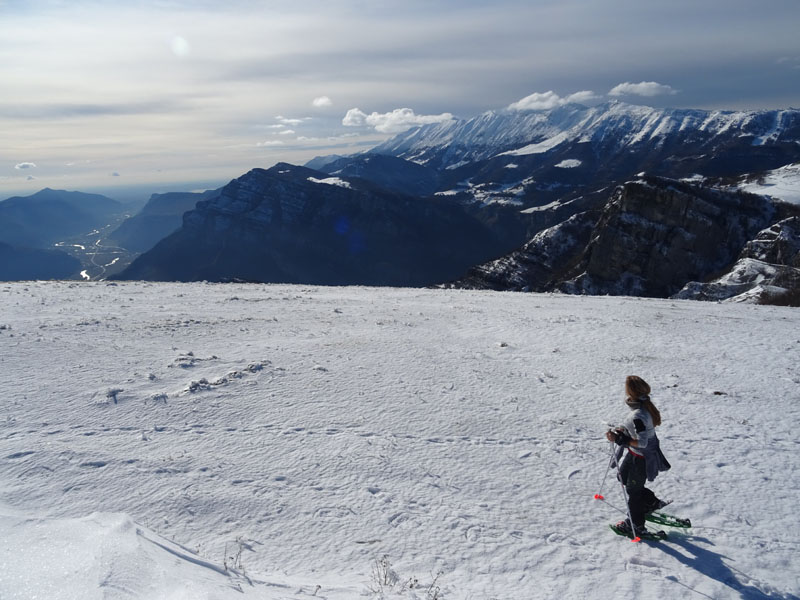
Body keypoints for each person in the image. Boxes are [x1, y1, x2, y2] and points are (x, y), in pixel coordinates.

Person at [606, 375, 671, 537]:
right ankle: (651, 503)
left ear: (631, 392)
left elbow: (642, 442)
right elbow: (636, 429)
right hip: (634, 453)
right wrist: (622, 429)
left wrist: (620, 439)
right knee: (624, 478)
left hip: (641, 458)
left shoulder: (639, 415)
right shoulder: (642, 408)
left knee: (633, 492)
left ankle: (636, 525)